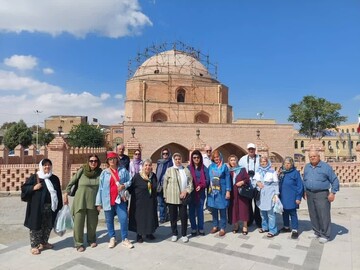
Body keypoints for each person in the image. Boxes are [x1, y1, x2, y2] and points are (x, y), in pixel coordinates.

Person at [21, 159, 63, 255]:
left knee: (48, 225)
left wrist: (60, 206)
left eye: (49, 165)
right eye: (45, 165)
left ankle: (44, 242)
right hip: (37, 207)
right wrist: (33, 188)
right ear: (41, 166)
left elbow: (58, 193)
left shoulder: (54, 178)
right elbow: (24, 188)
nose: (47, 167)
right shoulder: (35, 177)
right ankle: (34, 246)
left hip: (51, 207)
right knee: (36, 225)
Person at [63, 154, 102, 252]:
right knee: (78, 223)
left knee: (92, 223)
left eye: (95, 161)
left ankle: (91, 240)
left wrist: (101, 202)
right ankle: (78, 243)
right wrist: (66, 194)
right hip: (80, 201)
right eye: (91, 161)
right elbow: (71, 182)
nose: (93, 163)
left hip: (94, 202)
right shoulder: (82, 171)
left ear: (98, 162)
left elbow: (103, 188)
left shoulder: (100, 173)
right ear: (88, 162)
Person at [95, 152, 133, 249]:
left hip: (120, 199)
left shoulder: (123, 171)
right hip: (108, 200)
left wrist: (124, 185)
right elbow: (100, 188)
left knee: (123, 218)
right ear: (108, 161)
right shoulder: (104, 173)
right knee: (109, 220)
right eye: (110, 159)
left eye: (114, 159)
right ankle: (112, 237)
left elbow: (130, 180)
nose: (112, 161)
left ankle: (125, 238)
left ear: (117, 160)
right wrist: (98, 203)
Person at [303, 150, 339, 244]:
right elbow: (304, 179)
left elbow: (334, 180)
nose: (312, 158)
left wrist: (333, 192)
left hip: (322, 194)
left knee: (323, 214)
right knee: (313, 213)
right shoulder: (307, 167)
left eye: (314, 156)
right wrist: (304, 191)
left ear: (319, 157)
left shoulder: (325, 167)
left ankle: (325, 235)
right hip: (310, 193)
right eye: (310, 157)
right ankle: (317, 231)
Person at [163, 153, 193, 243]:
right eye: (176, 159)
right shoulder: (169, 170)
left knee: (184, 216)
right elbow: (165, 184)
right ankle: (174, 233)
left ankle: (184, 234)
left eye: (179, 159)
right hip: (172, 197)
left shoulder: (186, 170)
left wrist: (186, 191)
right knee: (173, 217)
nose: (177, 161)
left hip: (182, 198)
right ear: (173, 160)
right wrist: (165, 196)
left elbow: (190, 183)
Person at [128, 158, 159, 243]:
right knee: (140, 218)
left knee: (150, 217)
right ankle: (139, 235)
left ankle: (149, 233)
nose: (147, 167)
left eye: (149, 165)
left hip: (150, 201)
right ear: (142, 166)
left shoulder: (153, 176)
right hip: (139, 202)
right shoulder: (137, 176)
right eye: (146, 165)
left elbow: (155, 187)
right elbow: (131, 188)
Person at [278, 157, 304, 239]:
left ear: (292, 164)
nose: (287, 165)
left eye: (288, 163)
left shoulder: (295, 173)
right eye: (285, 163)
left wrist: (298, 197)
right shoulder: (282, 172)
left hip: (292, 197)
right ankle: (286, 227)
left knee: (293, 213)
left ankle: (295, 230)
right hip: (283, 196)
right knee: (284, 212)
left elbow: (300, 186)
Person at [254, 156, 279, 238]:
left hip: (270, 193)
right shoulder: (258, 171)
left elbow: (275, 183)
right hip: (261, 194)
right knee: (262, 212)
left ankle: (273, 230)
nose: (263, 163)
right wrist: (257, 183)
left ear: (267, 162)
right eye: (261, 162)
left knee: (270, 213)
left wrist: (276, 195)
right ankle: (265, 227)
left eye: (264, 161)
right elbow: (254, 180)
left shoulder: (272, 171)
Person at [207, 150, 231, 237]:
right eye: (215, 157)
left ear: (220, 157)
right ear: (212, 158)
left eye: (218, 157)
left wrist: (228, 191)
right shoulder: (211, 166)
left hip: (222, 191)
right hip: (212, 191)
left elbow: (228, 179)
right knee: (214, 210)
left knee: (222, 210)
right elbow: (208, 178)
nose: (216, 158)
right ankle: (215, 226)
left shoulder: (224, 166)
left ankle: (222, 228)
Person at [238, 143, 262, 228]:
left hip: (257, 184)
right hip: (247, 185)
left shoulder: (260, 158)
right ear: (247, 150)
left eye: (252, 149)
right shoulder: (243, 159)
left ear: (255, 149)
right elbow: (239, 170)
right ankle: (249, 220)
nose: (251, 151)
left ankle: (259, 221)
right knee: (247, 204)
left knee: (258, 204)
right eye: (249, 149)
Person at [187, 150, 209, 236]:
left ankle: (201, 228)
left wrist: (201, 185)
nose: (196, 159)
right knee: (192, 211)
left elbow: (207, 180)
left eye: (198, 157)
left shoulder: (204, 168)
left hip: (201, 193)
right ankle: (193, 228)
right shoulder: (189, 168)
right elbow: (186, 180)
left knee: (200, 211)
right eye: (194, 157)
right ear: (192, 158)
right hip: (191, 193)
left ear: (200, 158)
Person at [227, 154, 250, 235]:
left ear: (237, 161)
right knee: (233, 209)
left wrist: (242, 182)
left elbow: (247, 179)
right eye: (231, 160)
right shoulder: (229, 171)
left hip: (241, 192)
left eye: (234, 160)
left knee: (243, 209)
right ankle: (236, 225)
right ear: (229, 162)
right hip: (232, 193)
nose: (233, 162)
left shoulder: (242, 169)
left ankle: (245, 226)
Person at [155, 147, 173, 223]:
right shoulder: (159, 162)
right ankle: (162, 217)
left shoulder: (171, 163)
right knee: (161, 202)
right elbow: (157, 173)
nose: (165, 155)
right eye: (163, 153)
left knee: (168, 202)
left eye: (166, 153)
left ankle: (169, 215)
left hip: (168, 185)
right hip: (159, 185)